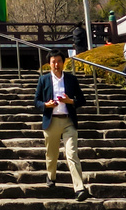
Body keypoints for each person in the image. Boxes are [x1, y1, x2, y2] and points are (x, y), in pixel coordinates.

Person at [34, 53, 89, 201]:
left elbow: (82, 100)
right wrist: (46, 105)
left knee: (72, 154)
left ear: (63, 63)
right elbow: (36, 101)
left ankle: (79, 188)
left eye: (59, 61)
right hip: (51, 121)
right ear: (49, 64)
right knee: (51, 154)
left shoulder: (71, 79)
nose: (56, 64)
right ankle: (51, 176)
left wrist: (70, 101)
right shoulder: (44, 79)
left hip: (68, 121)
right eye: (53, 62)